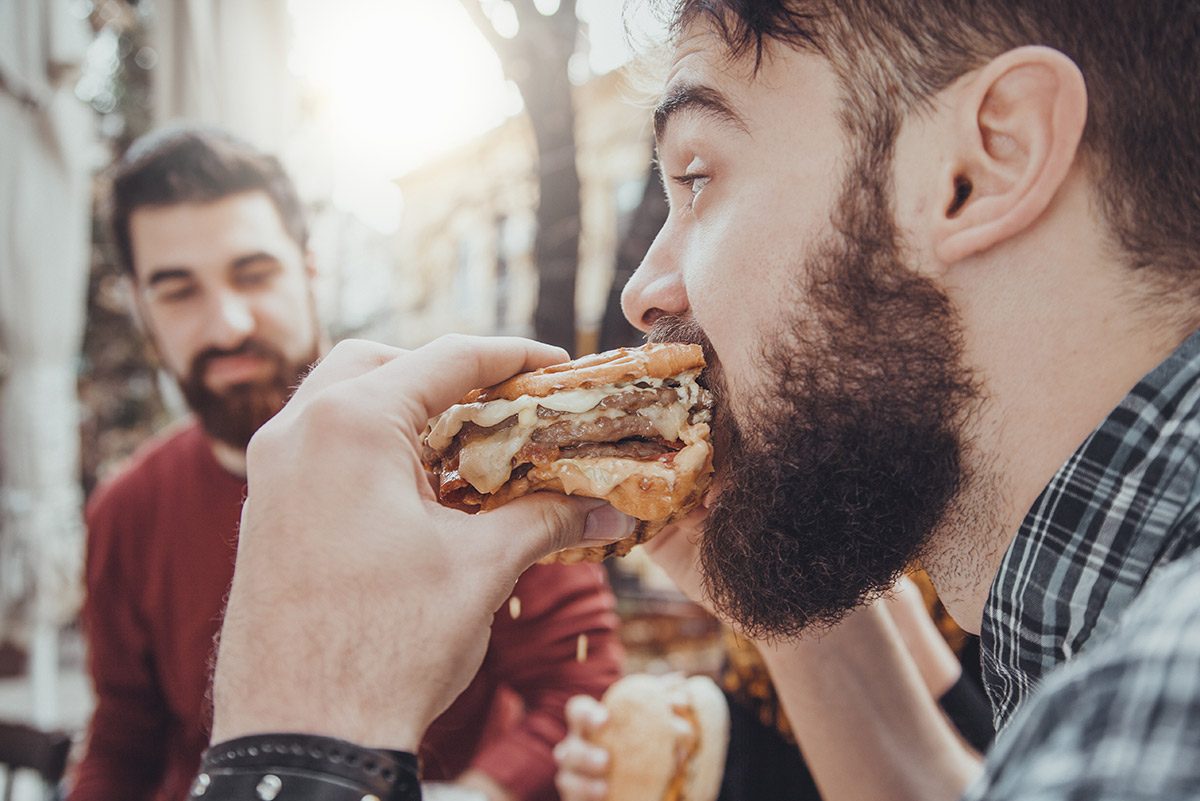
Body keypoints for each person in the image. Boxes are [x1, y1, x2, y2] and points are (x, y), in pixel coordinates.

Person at [176, 0, 1200, 798]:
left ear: (984, 163)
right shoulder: (1116, 655)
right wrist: (787, 587)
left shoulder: (1158, 718)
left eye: (701, 175)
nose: (646, 293)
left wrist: (300, 728)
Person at [71, 128, 622, 801]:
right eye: (178, 290)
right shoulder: (127, 509)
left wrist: (480, 790)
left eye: (253, 272)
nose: (227, 323)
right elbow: (123, 738)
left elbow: (580, 679)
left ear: (308, 268)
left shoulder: (466, 449)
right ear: (139, 306)